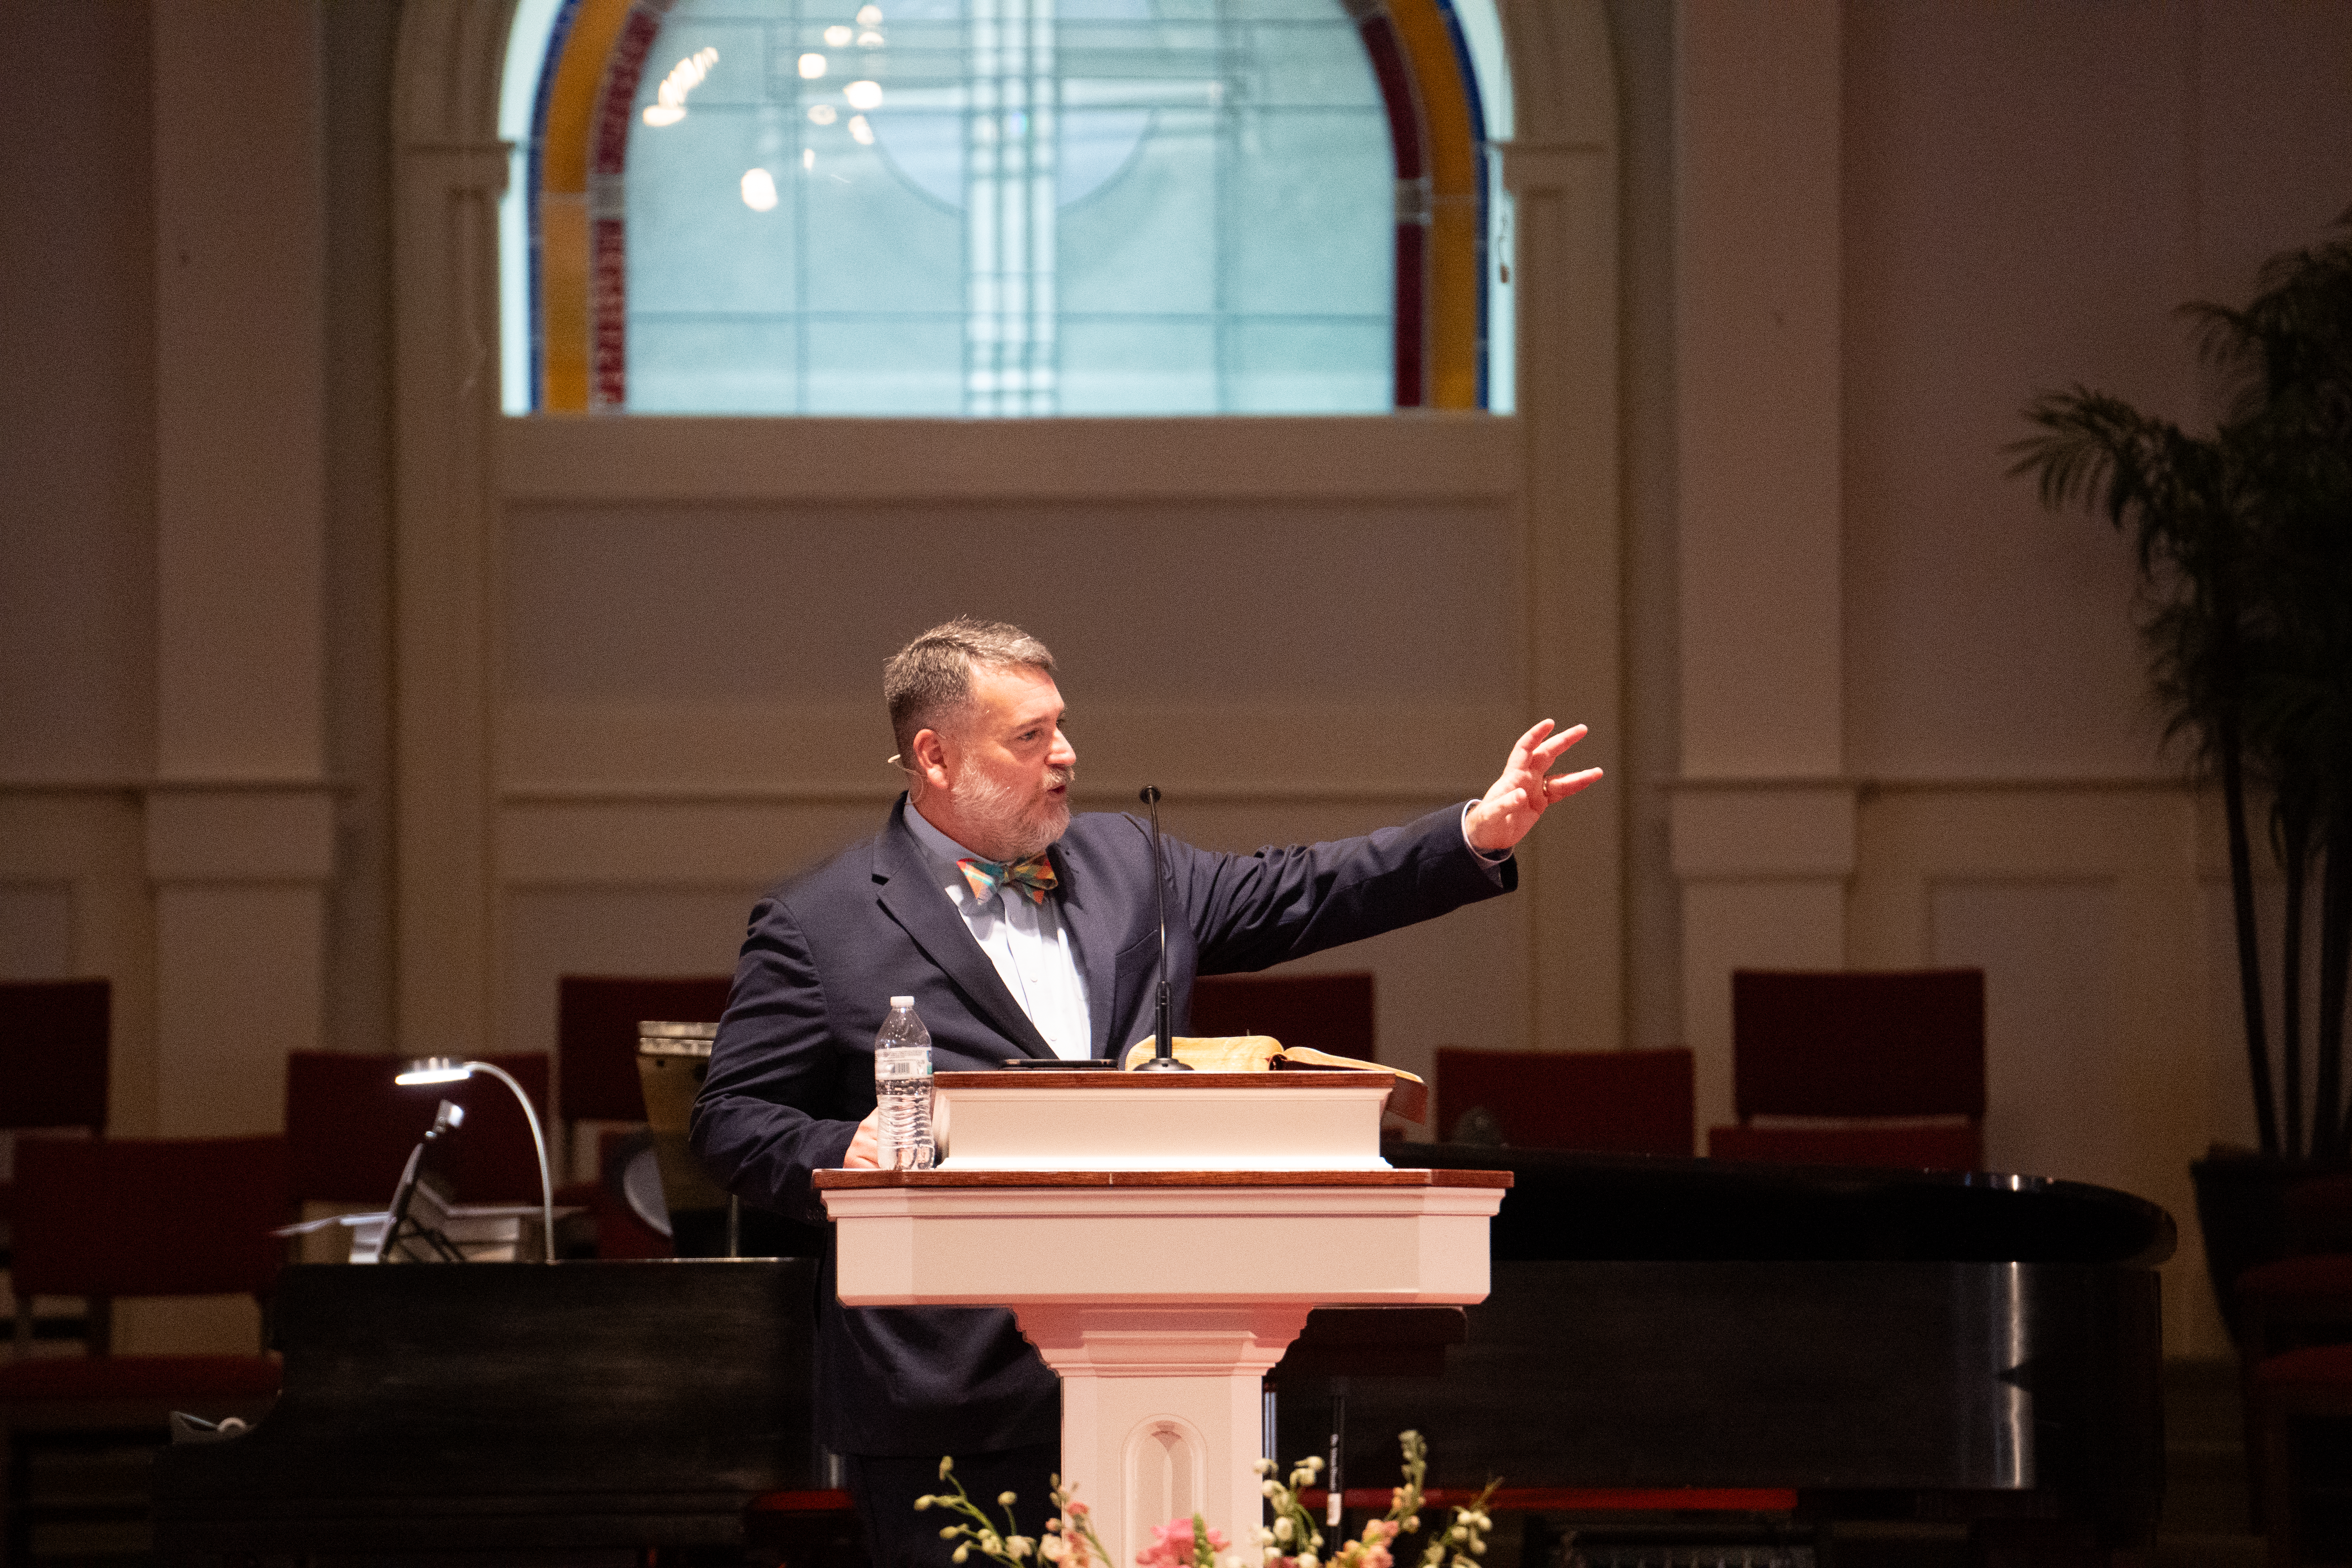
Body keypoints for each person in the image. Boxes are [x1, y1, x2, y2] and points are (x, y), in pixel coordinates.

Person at [690, 617, 1600, 1568]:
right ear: (936, 755)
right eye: (1030, 736)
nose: (1067, 755)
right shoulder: (820, 920)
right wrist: (847, 1150)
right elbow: (732, 1118)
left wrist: (1473, 833)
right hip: (949, 1387)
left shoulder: (1133, 864)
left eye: (1062, 725)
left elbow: (1306, 888)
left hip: (1172, 1349)